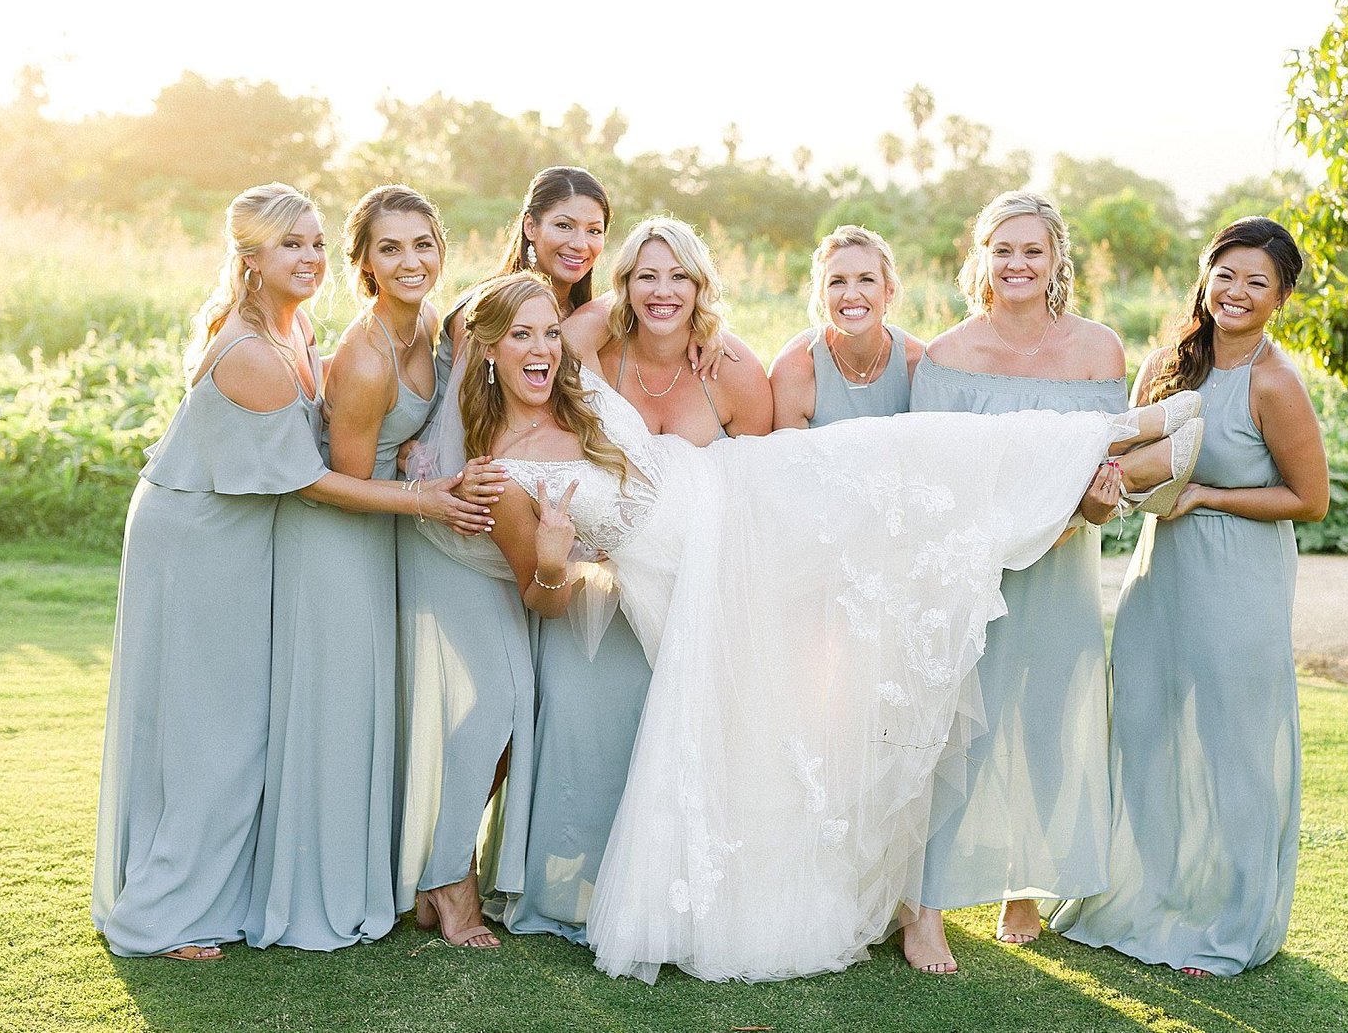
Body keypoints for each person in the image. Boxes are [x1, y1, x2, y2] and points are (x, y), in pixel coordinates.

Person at [416, 269, 1203, 983]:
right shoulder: (506, 473)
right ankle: (1125, 468)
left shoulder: (577, 385)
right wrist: (556, 558)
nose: (543, 346)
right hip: (704, 576)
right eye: (519, 334)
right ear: (484, 348)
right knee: (888, 563)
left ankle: (1117, 439)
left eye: (548, 330)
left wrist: (659, 316)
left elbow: (630, 296)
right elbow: (540, 595)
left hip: (737, 487)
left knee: (900, 451)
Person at [92, 183, 495, 961]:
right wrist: (425, 496)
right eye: (291, 246)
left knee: (243, 725)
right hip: (201, 537)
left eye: (314, 242)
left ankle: (228, 890)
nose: (308, 258)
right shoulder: (251, 353)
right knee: (216, 729)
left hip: (250, 526)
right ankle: (162, 917)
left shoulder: (295, 323)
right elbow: (310, 477)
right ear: (251, 260)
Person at [396, 168, 729, 946]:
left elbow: (666, 301)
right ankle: (450, 877)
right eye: (564, 227)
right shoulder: (487, 310)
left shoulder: (587, 317)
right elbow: (468, 421)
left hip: (549, 536)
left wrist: (707, 332)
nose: (579, 243)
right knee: (505, 705)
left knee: (531, 710)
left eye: (592, 231)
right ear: (530, 224)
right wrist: (427, 466)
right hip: (476, 527)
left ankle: (475, 863)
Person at [1050, 216, 1328, 977]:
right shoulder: (1168, 362)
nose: (1237, 292)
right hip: (1160, 573)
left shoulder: (1274, 382)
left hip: (1239, 580)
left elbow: (1310, 498)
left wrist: (1205, 493)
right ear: (1207, 278)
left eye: (1257, 282)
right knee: (1142, 725)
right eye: (1227, 274)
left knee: (1232, 746)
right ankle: (1144, 896)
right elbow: (1135, 464)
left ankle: (1228, 922)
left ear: (1281, 297)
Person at [505, 217, 771, 944]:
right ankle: (576, 885)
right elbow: (558, 334)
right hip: (600, 580)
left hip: (692, 589)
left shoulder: (737, 374)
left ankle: (679, 889)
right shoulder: (597, 348)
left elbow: (756, 500)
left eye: (679, 276)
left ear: (701, 286)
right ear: (623, 284)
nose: (662, 291)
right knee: (577, 708)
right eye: (645, 274)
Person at [903, 191, 1131, 973]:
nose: (1018, 264)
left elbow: (1107, 467)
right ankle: (925, 905)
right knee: (960, 724)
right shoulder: (946, 356)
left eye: (1033, 250)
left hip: (1063, 568)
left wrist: (1090, 508)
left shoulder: (1100, 350)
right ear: (982, 260)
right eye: (1004, 250)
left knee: (1045, 723)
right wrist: (1004, 532)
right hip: (974, 571)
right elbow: (931, 480)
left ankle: (1021, 886)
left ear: (1056, 259)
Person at [244, 185, 448, 949]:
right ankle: (317, 894)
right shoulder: (365, 358)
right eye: (389, 248)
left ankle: (376, 874)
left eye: (422, 243)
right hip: (337, 538)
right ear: (363, 263)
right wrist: (431, 497)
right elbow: (349, 484)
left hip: (385, 530)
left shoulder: (431, 324)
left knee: (369, 706)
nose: (410, 260)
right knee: (338, 714)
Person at [769, 225, 923, 429]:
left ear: (889, 291)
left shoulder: (919, 365)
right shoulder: (793, 369)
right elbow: (786, 458)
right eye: (837, 282)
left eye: (866, 280)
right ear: (823, 296)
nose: (851, 295)